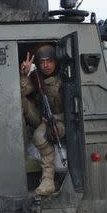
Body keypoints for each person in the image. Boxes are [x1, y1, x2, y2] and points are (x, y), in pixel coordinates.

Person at [20, 45, 65, 195]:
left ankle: (48, 181)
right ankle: (22, 149)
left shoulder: (63, 80)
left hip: (61, 120)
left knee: (39, 136)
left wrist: (55, 117)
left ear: (56, 62)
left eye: (49, 61)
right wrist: (24, 75)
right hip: (41, 118)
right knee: (21, 101)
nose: (46, 65)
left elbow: (73, 110)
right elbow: (21, 91)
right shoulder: (36, 77)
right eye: (42, 62)